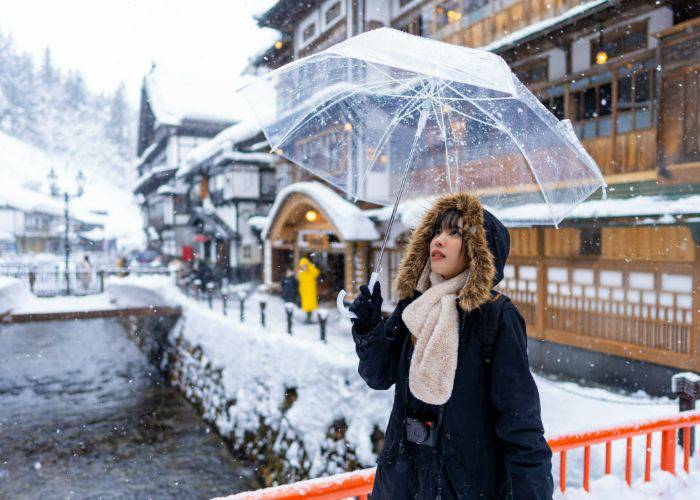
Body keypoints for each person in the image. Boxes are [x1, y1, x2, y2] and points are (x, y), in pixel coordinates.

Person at [349, 192, 553, 499]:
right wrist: (368, 327)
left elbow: (520, 425)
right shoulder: (415, 304)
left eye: (454, 232)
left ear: (479, 250)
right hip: (402, 482)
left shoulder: (495, 316)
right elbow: (379, 376)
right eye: (436, 232)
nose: (438, 241)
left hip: (463, 485)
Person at [297, 256, 319, 323]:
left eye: (305, 266)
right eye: (302, 266)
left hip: (311, 292)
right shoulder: (301, 274)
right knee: (306, 306)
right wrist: (300, 291)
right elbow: (300, 282)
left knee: (310, 306)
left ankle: (309, 318)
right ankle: (308, 318)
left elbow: (317, 272)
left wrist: (309, 264)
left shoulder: (311, 272)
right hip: (304, 292)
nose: (304, 267)